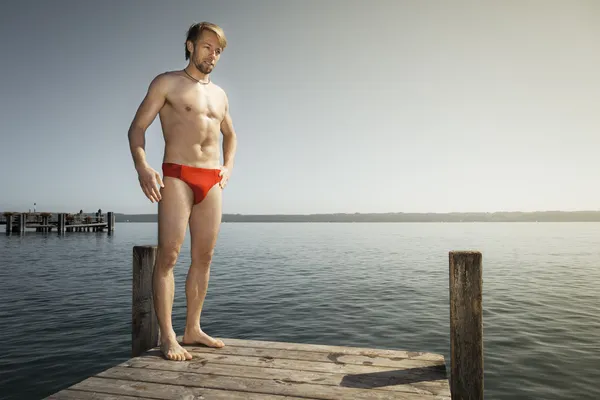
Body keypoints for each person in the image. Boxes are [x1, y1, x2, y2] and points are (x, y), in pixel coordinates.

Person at [127, 21, 237, 361]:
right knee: (169, 257)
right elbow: (137, 129)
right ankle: (167, 337)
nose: (212, 54)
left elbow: (230, 135)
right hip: (176, 175)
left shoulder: (220, 94)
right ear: (190, 46)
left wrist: (228, 166)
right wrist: (143, 166)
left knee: (204, 258)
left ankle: (193, 328)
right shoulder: (167, 83)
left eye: (218, 50)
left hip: (211, 178)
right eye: (206, 46)